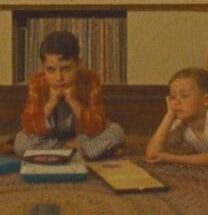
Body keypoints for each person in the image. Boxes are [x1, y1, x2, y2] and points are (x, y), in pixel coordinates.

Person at [13, 30, 125, 160]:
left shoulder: (90, 80)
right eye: (50, 69)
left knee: (116, 132)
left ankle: (58, 153)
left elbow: (97, 127)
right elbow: (28, 126)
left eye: (66, 69)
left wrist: (74, 102)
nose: (59, 77)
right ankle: (74, 152)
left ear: (78, 64)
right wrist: (50, 105)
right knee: (21, 142)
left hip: (82, 137)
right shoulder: (37, 82)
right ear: (43, 67)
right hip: (50, 139)